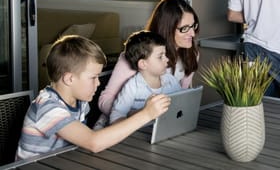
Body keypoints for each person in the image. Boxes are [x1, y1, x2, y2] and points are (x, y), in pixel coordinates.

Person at [16, 35, 171, 160]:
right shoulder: (47, 107)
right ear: (69, 79)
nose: (98, 83)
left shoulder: (80, 101)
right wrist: (146, 114)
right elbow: (93, 142)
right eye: (93, 77)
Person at [98, 0, 199, 116]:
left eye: (193, 26)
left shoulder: (191, 54)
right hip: (123, 123)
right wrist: (136, 116)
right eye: (184, 28)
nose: (192, 33)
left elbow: (181, 95)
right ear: (167, 29)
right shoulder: (139, 54)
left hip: (162, 124)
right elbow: (104, 100)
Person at [109, 30, 181, 124]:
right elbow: (115, 118)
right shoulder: (132, 87)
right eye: (160, 57)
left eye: (165, 55)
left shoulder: (171, 81)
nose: (167, 59)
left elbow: (182, 104)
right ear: (143, 64)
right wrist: (142, 113)